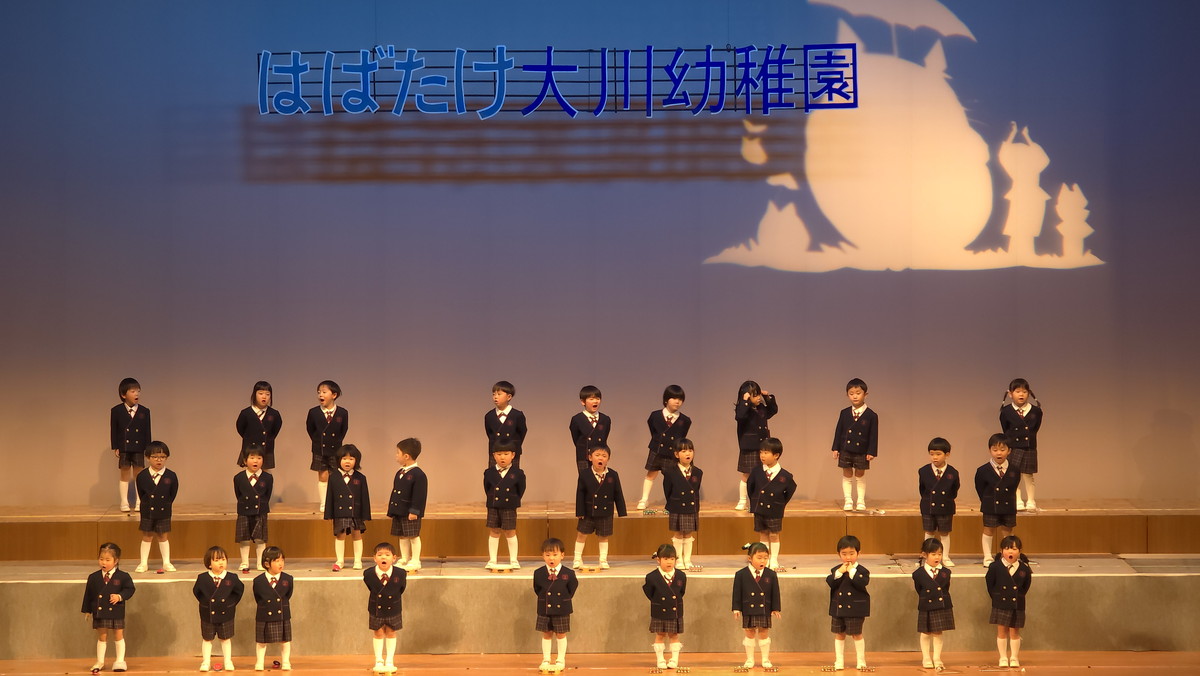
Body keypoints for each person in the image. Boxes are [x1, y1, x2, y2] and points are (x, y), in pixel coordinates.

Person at [81, 542, 135, 674]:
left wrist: (120, 596)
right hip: (99, 611)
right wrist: (87, 610)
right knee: (102, 636)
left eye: (107, 560)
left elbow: (130, 589)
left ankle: (120, 661)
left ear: (116, 561)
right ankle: (100, 661)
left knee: (118, 635)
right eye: (101, 559)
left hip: (116, 610)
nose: (103, 562)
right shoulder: (93, 577)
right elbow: (88, 594)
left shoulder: (123, 576)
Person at [573, 443, 628, 569]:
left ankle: (603, 560)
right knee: (581, 534)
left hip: (606, 511)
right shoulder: (584, 474)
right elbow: (580, 494)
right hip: (588, 511)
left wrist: (622, 511)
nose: (600, 458)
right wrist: (580, 512)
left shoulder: (613, 474)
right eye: (597, 455)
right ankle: (577, 559)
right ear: (590, 457)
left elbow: (618, 493)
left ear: (608, 459)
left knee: (603, 537)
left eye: (604, 456)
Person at [637, 385, 692, 510]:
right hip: (657, 450)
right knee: (651, 474)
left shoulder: (685, 420)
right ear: (666, 399)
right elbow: (654, 431)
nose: (677, 402)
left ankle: (671, 501)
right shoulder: (655, 415)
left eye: (680, 399)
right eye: (674, 398)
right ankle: (644, 499)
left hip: (672, 453)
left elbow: (682, 437)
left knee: (671, 477)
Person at [746, 437, 796, 570]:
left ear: (776, 455)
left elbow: (789, 492)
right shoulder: (756, 471)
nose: (762, 455)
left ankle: (773, 560)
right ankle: (764, 558)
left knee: (774, 535)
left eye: (766, 452)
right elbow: (750, 488)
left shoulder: (785, 476)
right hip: (760, 508)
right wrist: (755, 502)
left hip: (775, 509)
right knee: (763, 533)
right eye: (761, 452)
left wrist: (779, 503)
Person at [192, 545, 244, 672]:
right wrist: (206, 604)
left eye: (223, 559)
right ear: (209, 564)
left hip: (226, 614)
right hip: (208, 614)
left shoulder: (232, 578)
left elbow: (238, 592)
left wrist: (230, 604)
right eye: (216, 560)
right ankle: (206, 662)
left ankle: (228, 661)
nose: (221, 562)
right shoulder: (202, 578)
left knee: (225, 639)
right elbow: (197, 592)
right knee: (207, 639)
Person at [731, 542, 780, 670]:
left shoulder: (771, 574)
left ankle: (765, 659)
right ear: (750, 558)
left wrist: (776, 608)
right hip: (748, 608)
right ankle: (749, 659)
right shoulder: (741, 574)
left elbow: (775, 592)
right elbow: (737, 593)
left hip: (764, 608)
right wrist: (736, 608)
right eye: (759, 557)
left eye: (765, 557)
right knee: (749, 632)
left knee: (764, 632)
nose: (763, 560)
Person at [832, 378, 878, 511]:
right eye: (851, 393)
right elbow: (838, 431)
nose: (855, 396)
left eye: (858, 393)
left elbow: (873, 435)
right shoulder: (844, 412)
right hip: (845, 449)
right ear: (847, 395)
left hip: (862, 450)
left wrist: (871, 451)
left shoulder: (871, 415)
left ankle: (861, 501)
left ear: (865, 395)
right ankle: (848, 500)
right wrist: (835, 448)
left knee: (860, 475)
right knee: (846, 474)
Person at [987, 534, 1032, 668]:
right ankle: (1003, 658)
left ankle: (1014, 657)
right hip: (1000, 603)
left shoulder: (1024, 568)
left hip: (1017, 604)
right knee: (1001, 631)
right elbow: (990, 585)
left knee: (1014, 632)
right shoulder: (995, 567)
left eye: (1014, 549)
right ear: (1001, 551)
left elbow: (1026, 586)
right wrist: (997, 597)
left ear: (1020, 551)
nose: (1010, 552)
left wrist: (1018, 596)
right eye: (1007, 549)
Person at [533, 538, 578, 672]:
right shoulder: (538, 573)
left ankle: (560, 659)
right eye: (547, 555)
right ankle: (546, 659)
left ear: (562, 555)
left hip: (561, 608)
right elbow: (537, 589)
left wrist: (562, 600)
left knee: (561, 634)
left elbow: (572, 589)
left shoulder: (569, 573)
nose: (551, 558)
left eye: (555, 554)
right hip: (545, 609)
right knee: (546, 634)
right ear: (543, 556)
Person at [826, 535, 870, 671]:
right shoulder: (836, 569)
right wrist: (840, 572)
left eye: (851, 553)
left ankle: (861, 661)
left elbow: (862, 582)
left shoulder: (862, 571)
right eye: (844, 554)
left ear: (858, 553)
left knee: (857, 634)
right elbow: (830, 582)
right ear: (839, 554)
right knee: (839, 634)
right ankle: (839, 661)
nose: (848, 557)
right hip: (839, 608)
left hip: (855, 609)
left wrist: (851, 571)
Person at [325, 444, 371, 571]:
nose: (347, 461)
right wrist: (328, 514)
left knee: (357, 534)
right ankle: (340, 561)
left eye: (351, 459)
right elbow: (329, 497)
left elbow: (365, 497)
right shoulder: (333, 477)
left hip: (355, 511)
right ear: (339, 460)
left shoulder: (360, 478)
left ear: (356, 461)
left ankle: (357, 560)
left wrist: (366, 514)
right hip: (340, 512)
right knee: (340, 535)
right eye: (344, 458)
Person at [999, 378, 1043, 511]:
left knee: (1028, 475)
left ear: (1029, 393)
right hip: (1013, 447)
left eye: (1024, 391)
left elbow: (1035, 428)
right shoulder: (1006, 411)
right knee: (1013, 474)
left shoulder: (1036, 411)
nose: (1021, 394)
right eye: (1017, 391)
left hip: (1029, 446)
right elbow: (1005, 429)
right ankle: (1017, 500)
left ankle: (1031, 501)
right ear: (1010, 393)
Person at [976, 433, 1020, 565]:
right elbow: (980, 489)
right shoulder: (982, 470)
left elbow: (1013, 487)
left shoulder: (1014, 470)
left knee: (1007, 531)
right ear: (990, 450)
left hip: (1008, 505)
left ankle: (1007, 556)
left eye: (1002, 449)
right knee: (988, 530)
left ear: (1009, 451)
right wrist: (988, 500)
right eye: (995, 450)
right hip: (990, 505)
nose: (998, 453)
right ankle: (987, 557)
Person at [134, 441, 177, 573]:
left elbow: (172, 495)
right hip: (147, 510)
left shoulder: (171, 476)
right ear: (148, 458)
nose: (159, 460)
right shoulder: (142, 476)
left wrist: (164, 504)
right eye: (155, 457)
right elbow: (141, 494)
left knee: (163, 536)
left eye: (162, 457)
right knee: (147, 536)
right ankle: (143, 563)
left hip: (164, 510)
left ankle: (166, 562)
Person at [364, 542, 407, 673]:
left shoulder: (400, 573)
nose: (383, 557)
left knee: (391, 632)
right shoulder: (368, 573)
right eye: (380, 555)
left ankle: (389, 660)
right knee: (378, 632)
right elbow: (371, 588)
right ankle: (378, 660)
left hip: (393, 607)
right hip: (376, 608)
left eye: (387, 555)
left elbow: (401, 589)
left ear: (394, 558)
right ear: (374, 558)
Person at [734, 380, 777, 510]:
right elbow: (740, 416)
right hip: (750, 447)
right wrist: (745, 401)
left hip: (763, 445)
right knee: (747, 474)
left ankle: (760, 500)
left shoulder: (761, 408)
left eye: (758, 394)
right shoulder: (743, 408)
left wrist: (766, 397)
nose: (758, 398)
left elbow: (773, 410)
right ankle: (742, 501)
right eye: (755, 395)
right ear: (747, 396)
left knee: (763, 473)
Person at [643, 544, 687, 670]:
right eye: (666, 559)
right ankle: (660, 660)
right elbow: (649, 593)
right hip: (659, 610)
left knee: (674, 635)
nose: (669, 562)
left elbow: (681, 592)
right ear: (658, 559)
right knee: (660, 635)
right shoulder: (651, 577)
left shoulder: (681, 575)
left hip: (675, 611)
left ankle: (674, 660)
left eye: (672, 559)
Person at [484, 438, 526, 569]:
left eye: (506, 454)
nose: (502, 457)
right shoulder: (489, 472)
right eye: (499, 454)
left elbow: (521, 490)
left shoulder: (518, 473)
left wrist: (512, 500)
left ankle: (513, 560)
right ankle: (492, 560)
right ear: (494, 455)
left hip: (509, 506)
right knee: (494, 531)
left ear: (513, 455)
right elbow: (487, 489)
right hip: (493, 506)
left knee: (510, 531)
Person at [306, 380, 348, 511]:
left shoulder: (342, 413)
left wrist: (335, 443)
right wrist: (318, 442)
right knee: (323, 475)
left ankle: (335, 501)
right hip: (319, 449)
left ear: (334, 395)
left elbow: (343, 431)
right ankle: (324, 502)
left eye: (324, 392)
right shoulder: (313, 412)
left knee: (336, 475)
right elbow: (310, 429)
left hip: (336, 449)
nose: (320, 395)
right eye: (319, 392)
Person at [387, 438, 428, 572]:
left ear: (406, 456)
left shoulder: (418, 474)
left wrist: (414, 511)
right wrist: (392, 509)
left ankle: (415, 560)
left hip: (410, 511)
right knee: (402, 535)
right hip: (399, 510)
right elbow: (395, 492)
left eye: (398, 453)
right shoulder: (400, 472)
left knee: (413, 535)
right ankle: (404, 558)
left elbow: (419, 495)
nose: (396, 456)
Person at [110, 377, 151, 513]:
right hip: (124, 447)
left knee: (139, 474)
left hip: (139, 447)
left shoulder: (144, 411)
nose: (136, 394)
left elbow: (147, 431)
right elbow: (114, 430)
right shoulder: (116, 410)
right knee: (125, 473)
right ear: (123, 394)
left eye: (138, 391)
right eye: (133, 391)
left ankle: (140, 501)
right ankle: (124, 501)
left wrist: (148, 448)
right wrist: (115, 446)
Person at [918, 437, 960, 566]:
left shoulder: (952, 472)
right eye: (932, 454)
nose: (934, 457)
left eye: (938, 454)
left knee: (944, 532)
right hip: (928, 506)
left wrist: (945, 499)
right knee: (929, 531)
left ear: (947, 454)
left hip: (945, 506)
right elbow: (922, 489)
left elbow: (954, 490)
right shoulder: (923, 471)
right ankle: (927, 556)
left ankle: (945, 557)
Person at [913, 537, 954, 670]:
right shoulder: (918, 574)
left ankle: (937, 658)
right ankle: (926, 658)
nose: (937, 557)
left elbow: (946, 588)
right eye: (933, 554)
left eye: (940, 554)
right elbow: (919, 589)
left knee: (938, 632)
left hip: (941, 605)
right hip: (926, 604)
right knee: (925, 632)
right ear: (924, 554)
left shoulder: (946, 572)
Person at [662, 438, 703, 570]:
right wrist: (674, 502)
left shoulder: (698, 472)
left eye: (690, 450)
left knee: (689, 534)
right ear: (676, 454)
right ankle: (678, 560)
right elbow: (667, 490)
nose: (688, 454)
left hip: (691, 507)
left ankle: (688, 560)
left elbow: (696, 490)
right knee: (679, 534)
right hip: (677, 506)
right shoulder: (670, 472)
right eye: (684, 451)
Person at [252, 546, 293, 671]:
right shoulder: (258, 581)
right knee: (261, 641)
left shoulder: (288, 579)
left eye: (282, 560)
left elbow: (288, 595)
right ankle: (259, 662)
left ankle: (286, 661)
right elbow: (258, 597)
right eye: (276, 561)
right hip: (264, 613)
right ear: (266, 564)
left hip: (282, 613)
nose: (281, 563)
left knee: (285, 640)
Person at [234, 444, 273, 573]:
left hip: (260, 511)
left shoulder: (267, 478)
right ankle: (244, 562)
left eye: (259, 458)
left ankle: (260, 563)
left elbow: (267, 495)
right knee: (244, 538)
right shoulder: (238, 478)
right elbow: (238, 494)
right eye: (252, 457)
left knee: (260, 538)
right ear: (245, 461)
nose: (255, 461)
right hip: (244, 511)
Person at [236, 381, 283, 469]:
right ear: (254, 394)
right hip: (250, 449)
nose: (264, 397)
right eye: (260, 393)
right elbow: (240, 429)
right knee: (249, 474)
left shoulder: (274, 414)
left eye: (267, 394)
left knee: (265, 475)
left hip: (266, 450)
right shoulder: (246, 413)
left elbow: (275, 431)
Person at [569, 385, 611, 474]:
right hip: (584, 456)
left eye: (598, 399)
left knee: (600, 479)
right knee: (585, 479)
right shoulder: (577, 419)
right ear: (583, 402)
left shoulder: (605, 419)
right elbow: (576, 440)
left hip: (600, 455)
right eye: (591, 399)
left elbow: (604, 437)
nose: (595, 401)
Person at [485, 380, 528, 468]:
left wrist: (513, 445)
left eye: (499, 394)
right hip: (495, 452)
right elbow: (490, 434)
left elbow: (522, 433)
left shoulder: (517, 415)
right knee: (494, 475)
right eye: (493, 394)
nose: (495, 397)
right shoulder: (489, 416)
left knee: (512, 475)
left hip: (512, 453)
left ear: (509, 397)